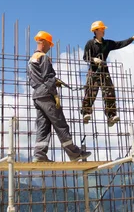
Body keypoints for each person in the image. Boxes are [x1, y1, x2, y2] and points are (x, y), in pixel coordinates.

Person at [27, 30, 91, 163]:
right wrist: (55, 94)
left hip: (37, 96)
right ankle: (73, 153)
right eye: (49, 44)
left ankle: (39, 154)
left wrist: (52, 82)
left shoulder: (31, 59)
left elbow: (36, 79)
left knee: (43, 125)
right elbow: (48, 77)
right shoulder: (43, 57)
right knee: (60, 124)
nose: (50, 47)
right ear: (43, 42)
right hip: (46, 94)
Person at [81, 20, 134, 127]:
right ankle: (86, 113)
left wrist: (133, 38)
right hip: (94, 71)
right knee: (90, 91)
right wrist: (93, 59)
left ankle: (111, 116)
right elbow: (85, 57)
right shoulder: (90, 43)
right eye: (102, 29)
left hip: (104, 71)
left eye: (103, 29)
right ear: (95, 31)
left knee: (109, 93)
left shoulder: (107, 43)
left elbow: (120, 44)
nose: (103, 31)